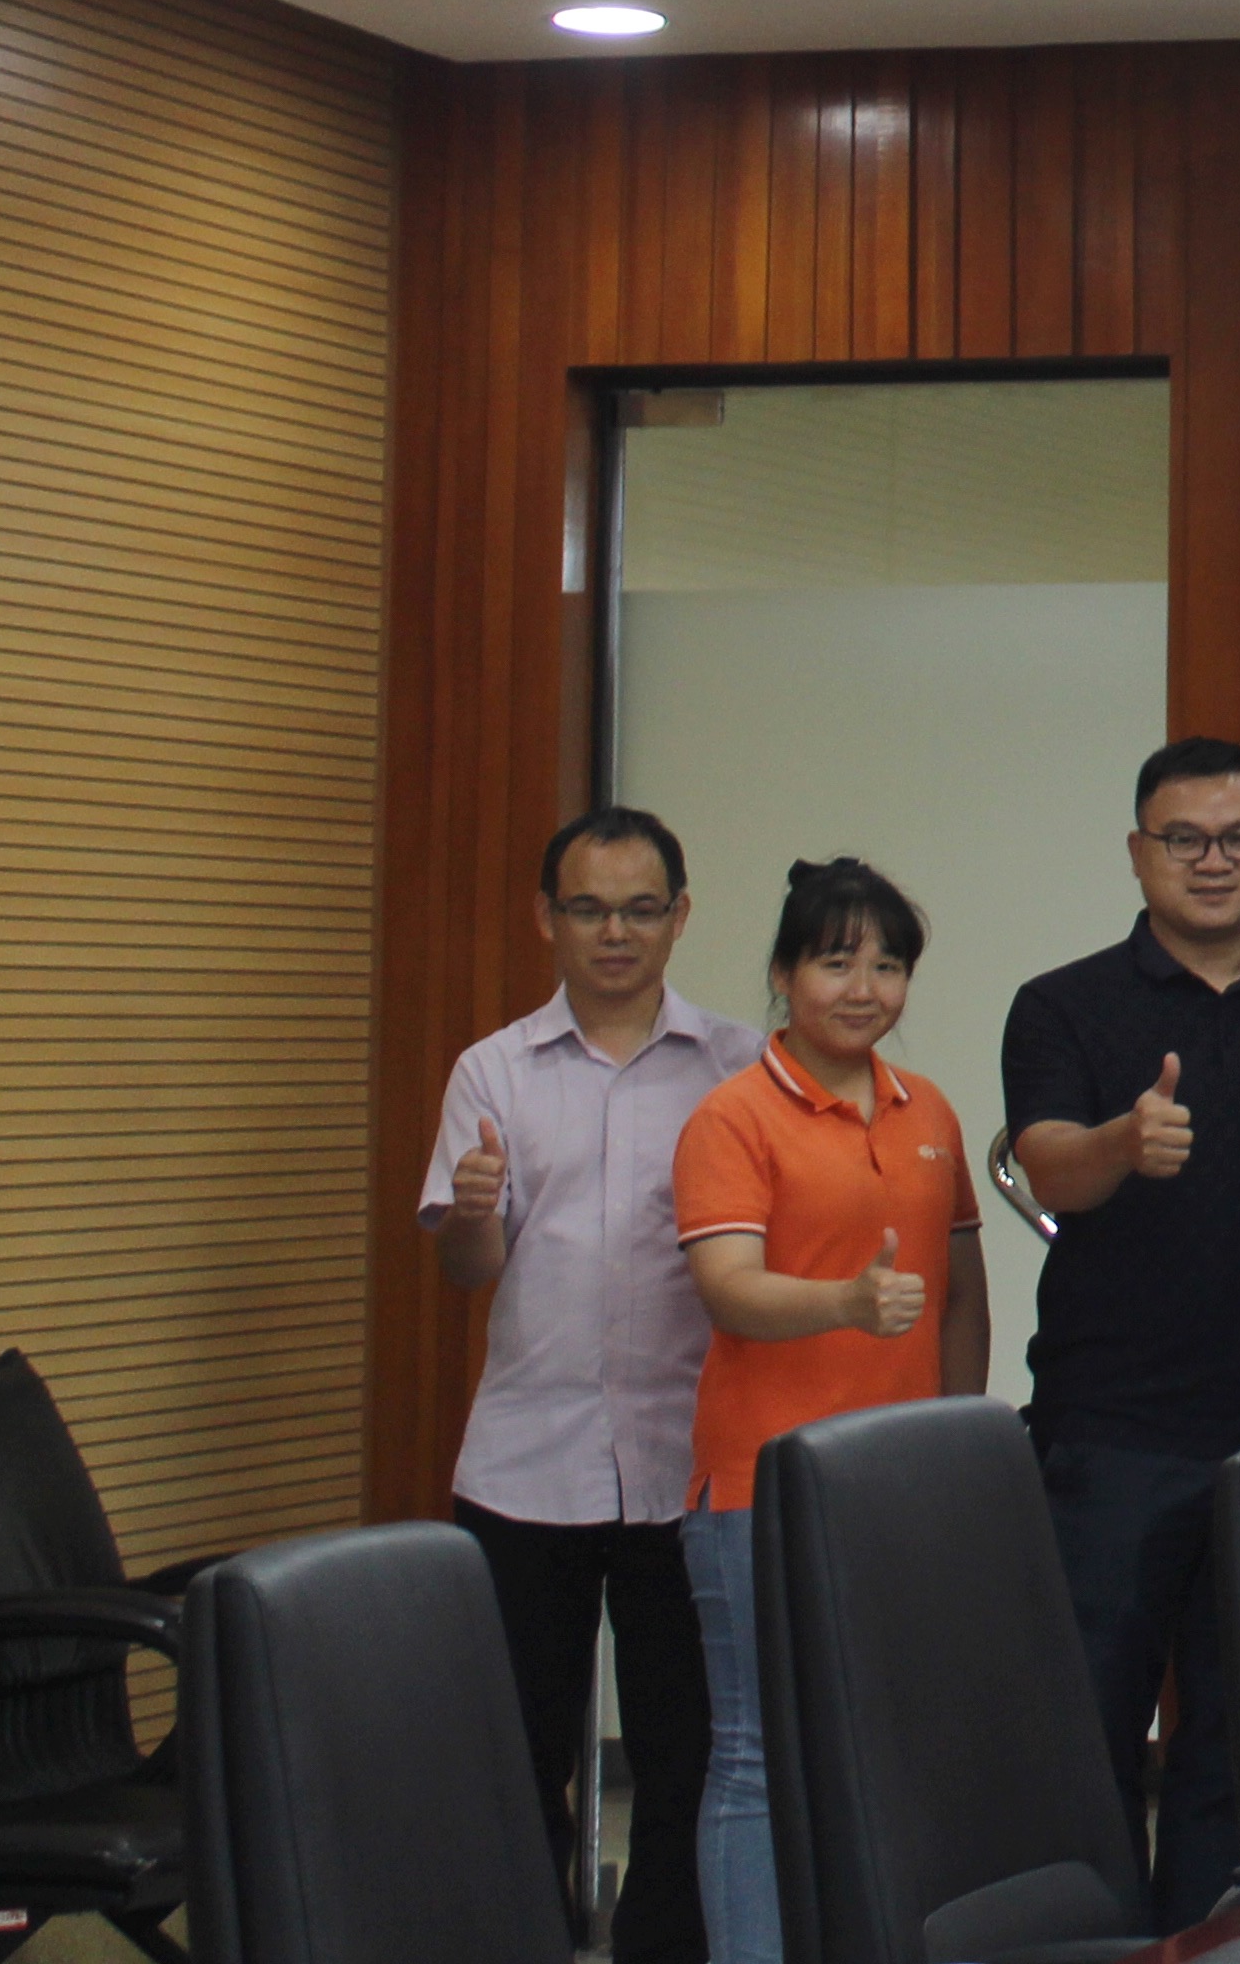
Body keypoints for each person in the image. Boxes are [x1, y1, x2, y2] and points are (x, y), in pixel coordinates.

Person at [1001, 739, 1240, 1928]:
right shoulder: (1062, 1004)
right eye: (1185, 839)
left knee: (1233, 1749)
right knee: (1088, 1738)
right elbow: (1046, 1163)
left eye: (1238, 838)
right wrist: (1121, 1143)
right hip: (1110, 1437)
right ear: (1138, 852)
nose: (1213, 860)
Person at [423, 807, 757, 1964]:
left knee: (687, 1754)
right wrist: (473, 1215)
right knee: (514, 1754)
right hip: (526, 1463)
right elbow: (468, 1269)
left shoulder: (736, 1067)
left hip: (687, 1463)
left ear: (680, 916)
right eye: (588, 909)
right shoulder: (494, 1069)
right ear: (546, 917)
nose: (615, 932)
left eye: (640, 909)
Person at [671, 860, 985, 1964]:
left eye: (888, 966)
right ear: (783, 972)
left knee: (890, 1744)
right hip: (757, 1485)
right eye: (837, 961)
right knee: (756, 1753)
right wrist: (845, 1304)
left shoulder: (928, 1108)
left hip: (897, 1489)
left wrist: (952, 1445)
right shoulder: (731, 1116)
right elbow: (727, 1290)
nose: (864, 988)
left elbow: (960, 1298)